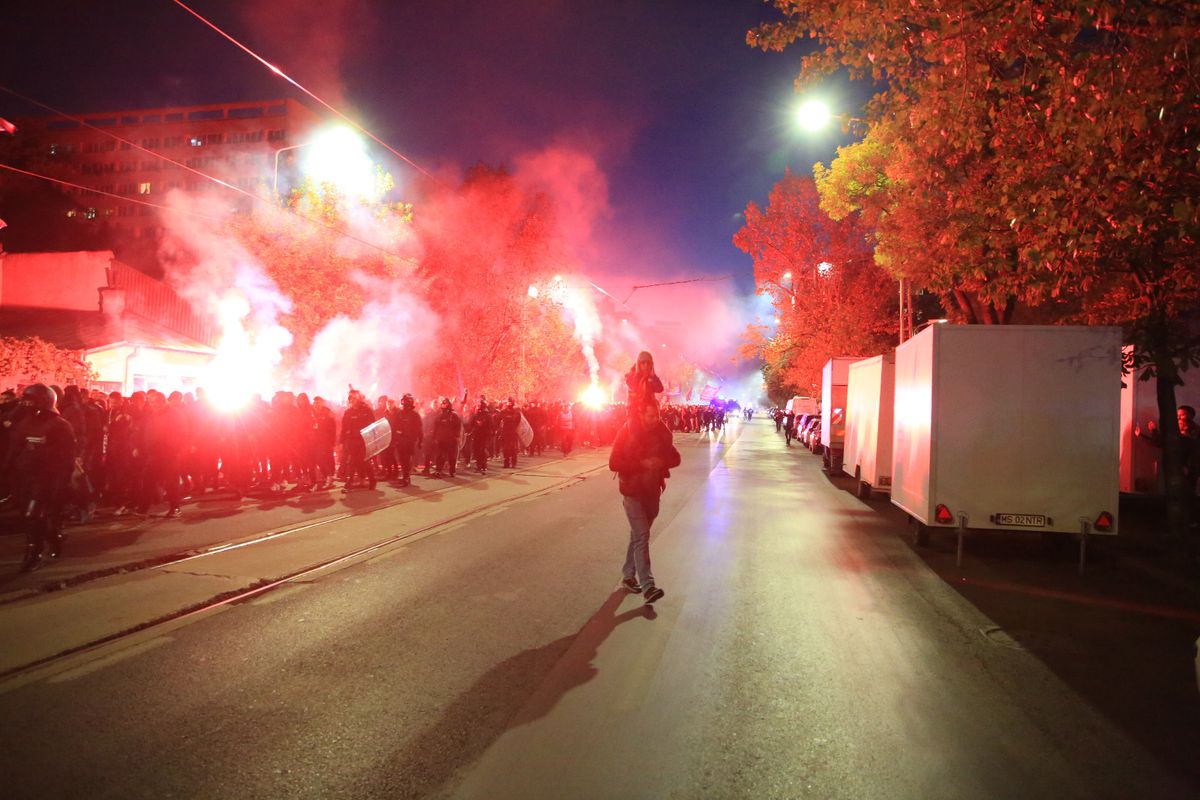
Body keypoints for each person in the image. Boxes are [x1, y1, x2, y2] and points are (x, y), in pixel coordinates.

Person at [608, 400, 681, 604]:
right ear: (641, 414)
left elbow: (676, 458)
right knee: (642, 535)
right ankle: (648, 586)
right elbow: (613, 463)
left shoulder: (662, 433)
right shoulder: (627, 431)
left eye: (656, 415)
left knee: (638, 536)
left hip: (652, 491)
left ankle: (628, 575)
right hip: (632, 490)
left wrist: (661, 462)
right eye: (650, 415)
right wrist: (641, 464)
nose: (654, 419)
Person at [4, 384, 77, 572]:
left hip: (46, 478)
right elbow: (14, 448)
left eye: (32, 400)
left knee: (33, 514)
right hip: (24, 476)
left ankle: (34, 553)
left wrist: (62, 482)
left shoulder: (60, 425)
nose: (27, 404)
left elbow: (67, 459)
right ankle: (54, 536)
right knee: (29, 516)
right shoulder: (24, 422)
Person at [340, 389, 376, 491]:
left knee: (364, 461)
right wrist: (341, 442)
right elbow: (344, 428)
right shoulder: (348, 412)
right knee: (351, 462)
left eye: (354, 397)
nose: (352, 400)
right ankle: (349, 483)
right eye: (350, 398)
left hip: (363, 441)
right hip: (351, 441)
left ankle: (372, 480)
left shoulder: (366, 410)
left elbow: (372, 425)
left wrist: (371, 440)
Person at [390, 394, 423, 486]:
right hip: (400, 441)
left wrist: (420, 440)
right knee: (401, 459)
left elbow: (419, 429)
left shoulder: (415, 415)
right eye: (403, 401)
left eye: (406, 401)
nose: (404, 403)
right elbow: (394, 427)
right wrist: (394, 438)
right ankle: (405, 475)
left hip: (409, 441)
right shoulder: (399, 414)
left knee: (407, 460)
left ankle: (406, 477)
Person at [432, 397, 463, 478]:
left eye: (445, 403)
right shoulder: (439, 415)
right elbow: (436, 427)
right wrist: (434, 437)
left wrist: (457, 437)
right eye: (442, 403)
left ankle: (452, 471)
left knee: (451, 457)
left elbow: (458, 427)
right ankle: (438, 470)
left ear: (448, 405)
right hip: (441, 440)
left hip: (451, 440)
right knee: (440, 456)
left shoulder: (453, 415)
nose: (443, 405)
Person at [499, 398, 522, 468]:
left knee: (513, 448)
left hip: (513, 432)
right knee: (505, 449)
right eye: (508, 402)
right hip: (505, 432)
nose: (509, 404)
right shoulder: (503, 411)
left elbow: (517, 421)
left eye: (510, 402)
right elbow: (500, 419)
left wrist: (510, 421)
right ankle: (506, 463)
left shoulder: (516, 412)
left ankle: (513, 463)